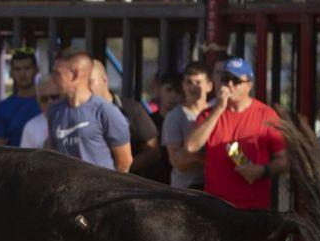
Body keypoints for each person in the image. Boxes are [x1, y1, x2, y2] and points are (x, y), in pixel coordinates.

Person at [184, 57, 286, 210]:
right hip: (216, 206)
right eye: (225, 79)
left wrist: (262, 170)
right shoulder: (209, 115)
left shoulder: (267, 115)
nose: (229, 84)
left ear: (249, 85)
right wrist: (218, 108)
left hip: (253, 207)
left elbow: (284, 160)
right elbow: (191, 146)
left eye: (236, 81)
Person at [48, 51, 132, 172]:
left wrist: (109, 189)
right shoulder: (55, 111)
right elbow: (54, 154)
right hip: (67, 189)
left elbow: (125, 162)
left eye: (57, 73)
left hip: (100, 189)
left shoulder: (105, 111)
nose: (53, 79)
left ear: (75, 74)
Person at [91, 61, 160, 177]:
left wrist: (122, 169)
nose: (86, 88)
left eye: (90, 82)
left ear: (104, 80)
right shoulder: (78, 112)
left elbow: (152, 150)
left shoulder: (131, 109)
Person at [162, 62, 212, 190]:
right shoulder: (174, 117)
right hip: (185, 191)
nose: (193, 87)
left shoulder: (219, 113)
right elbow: (177, 161)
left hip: (217, 188)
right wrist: (212, 160)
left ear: (209, 86)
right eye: (189, 82)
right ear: (183, 85)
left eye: (198, 82)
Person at [0, 47, 41, 147]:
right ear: (12, 73)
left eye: (27, 68)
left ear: (36, 70)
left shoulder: (49, 100)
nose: (22, 74)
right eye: (17, 69)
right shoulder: (3, 107)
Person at [19, 76, 59, 149]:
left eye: (54, 97)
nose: (50, 102)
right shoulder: (30, 127)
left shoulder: (72, 120)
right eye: (44, 99)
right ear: (38, 100)